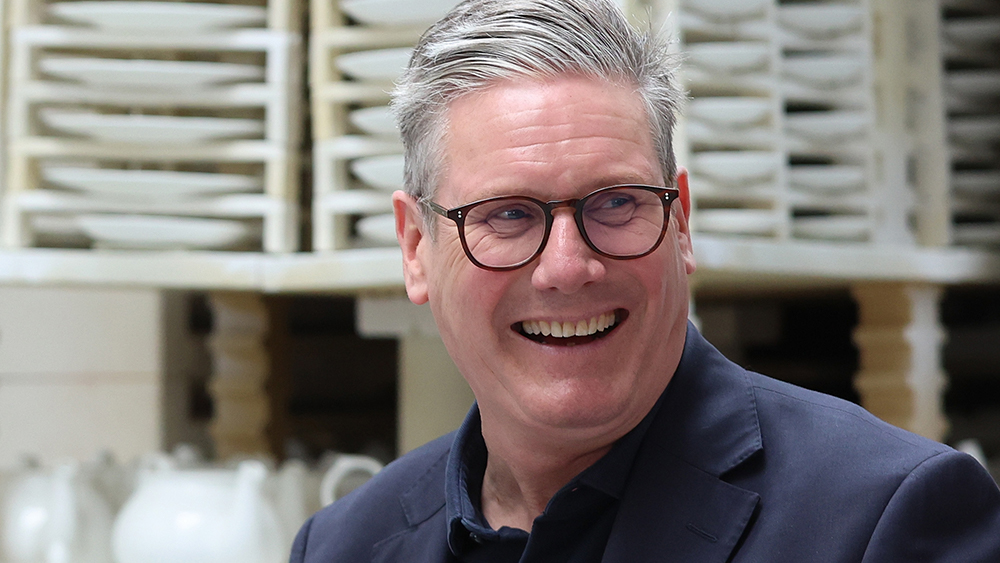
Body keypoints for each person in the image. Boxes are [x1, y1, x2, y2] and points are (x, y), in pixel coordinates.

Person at [291, 0, 1000, 561]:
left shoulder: (884, 518)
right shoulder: (343, 546)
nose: (567, 267)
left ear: (681, 221)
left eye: (615, 204)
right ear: (416, 247)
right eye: (508, 214)